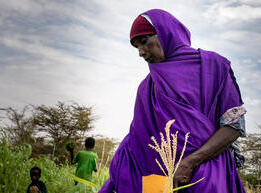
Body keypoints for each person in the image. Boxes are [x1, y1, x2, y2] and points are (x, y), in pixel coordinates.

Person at [99, 9, 247, 193]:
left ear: (165, 33)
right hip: (160, 182)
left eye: (144, 41)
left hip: (207, 176)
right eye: (136, 47)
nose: (141, 52)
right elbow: (136, 138)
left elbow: (233, 126)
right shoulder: (148, 87)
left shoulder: (213, 67)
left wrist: (190, 162)